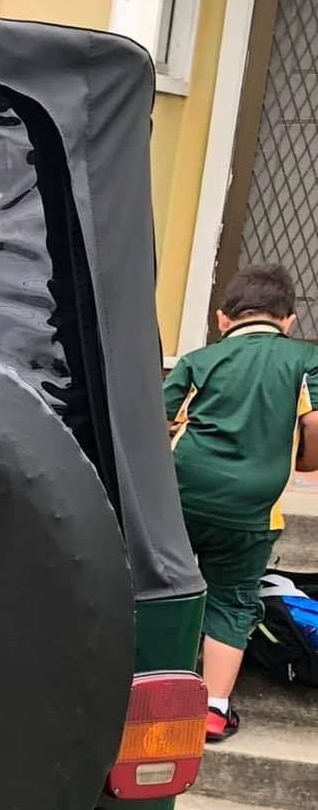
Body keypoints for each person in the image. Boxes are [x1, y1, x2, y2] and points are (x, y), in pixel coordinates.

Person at [164, 263, 318, 741]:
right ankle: (211, 710)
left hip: (179, 495)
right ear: (288, 320)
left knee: (161, 587)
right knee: (233, 599)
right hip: (250, 511)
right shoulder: (304, 361)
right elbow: (315, 427)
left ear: (221, 318)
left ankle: (138, 690)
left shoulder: (198, 360)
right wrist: (305, 461)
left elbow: (152, 423)